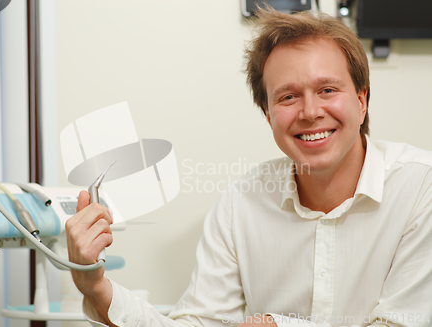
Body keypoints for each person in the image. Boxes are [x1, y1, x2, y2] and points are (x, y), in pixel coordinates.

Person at [65, 6, 432, 327]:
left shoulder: (421, 187)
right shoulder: (239, 204)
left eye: (328, 90)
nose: (309, 112)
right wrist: (96, 287)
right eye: (288, 97)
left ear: (362, 100)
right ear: (268, 114)